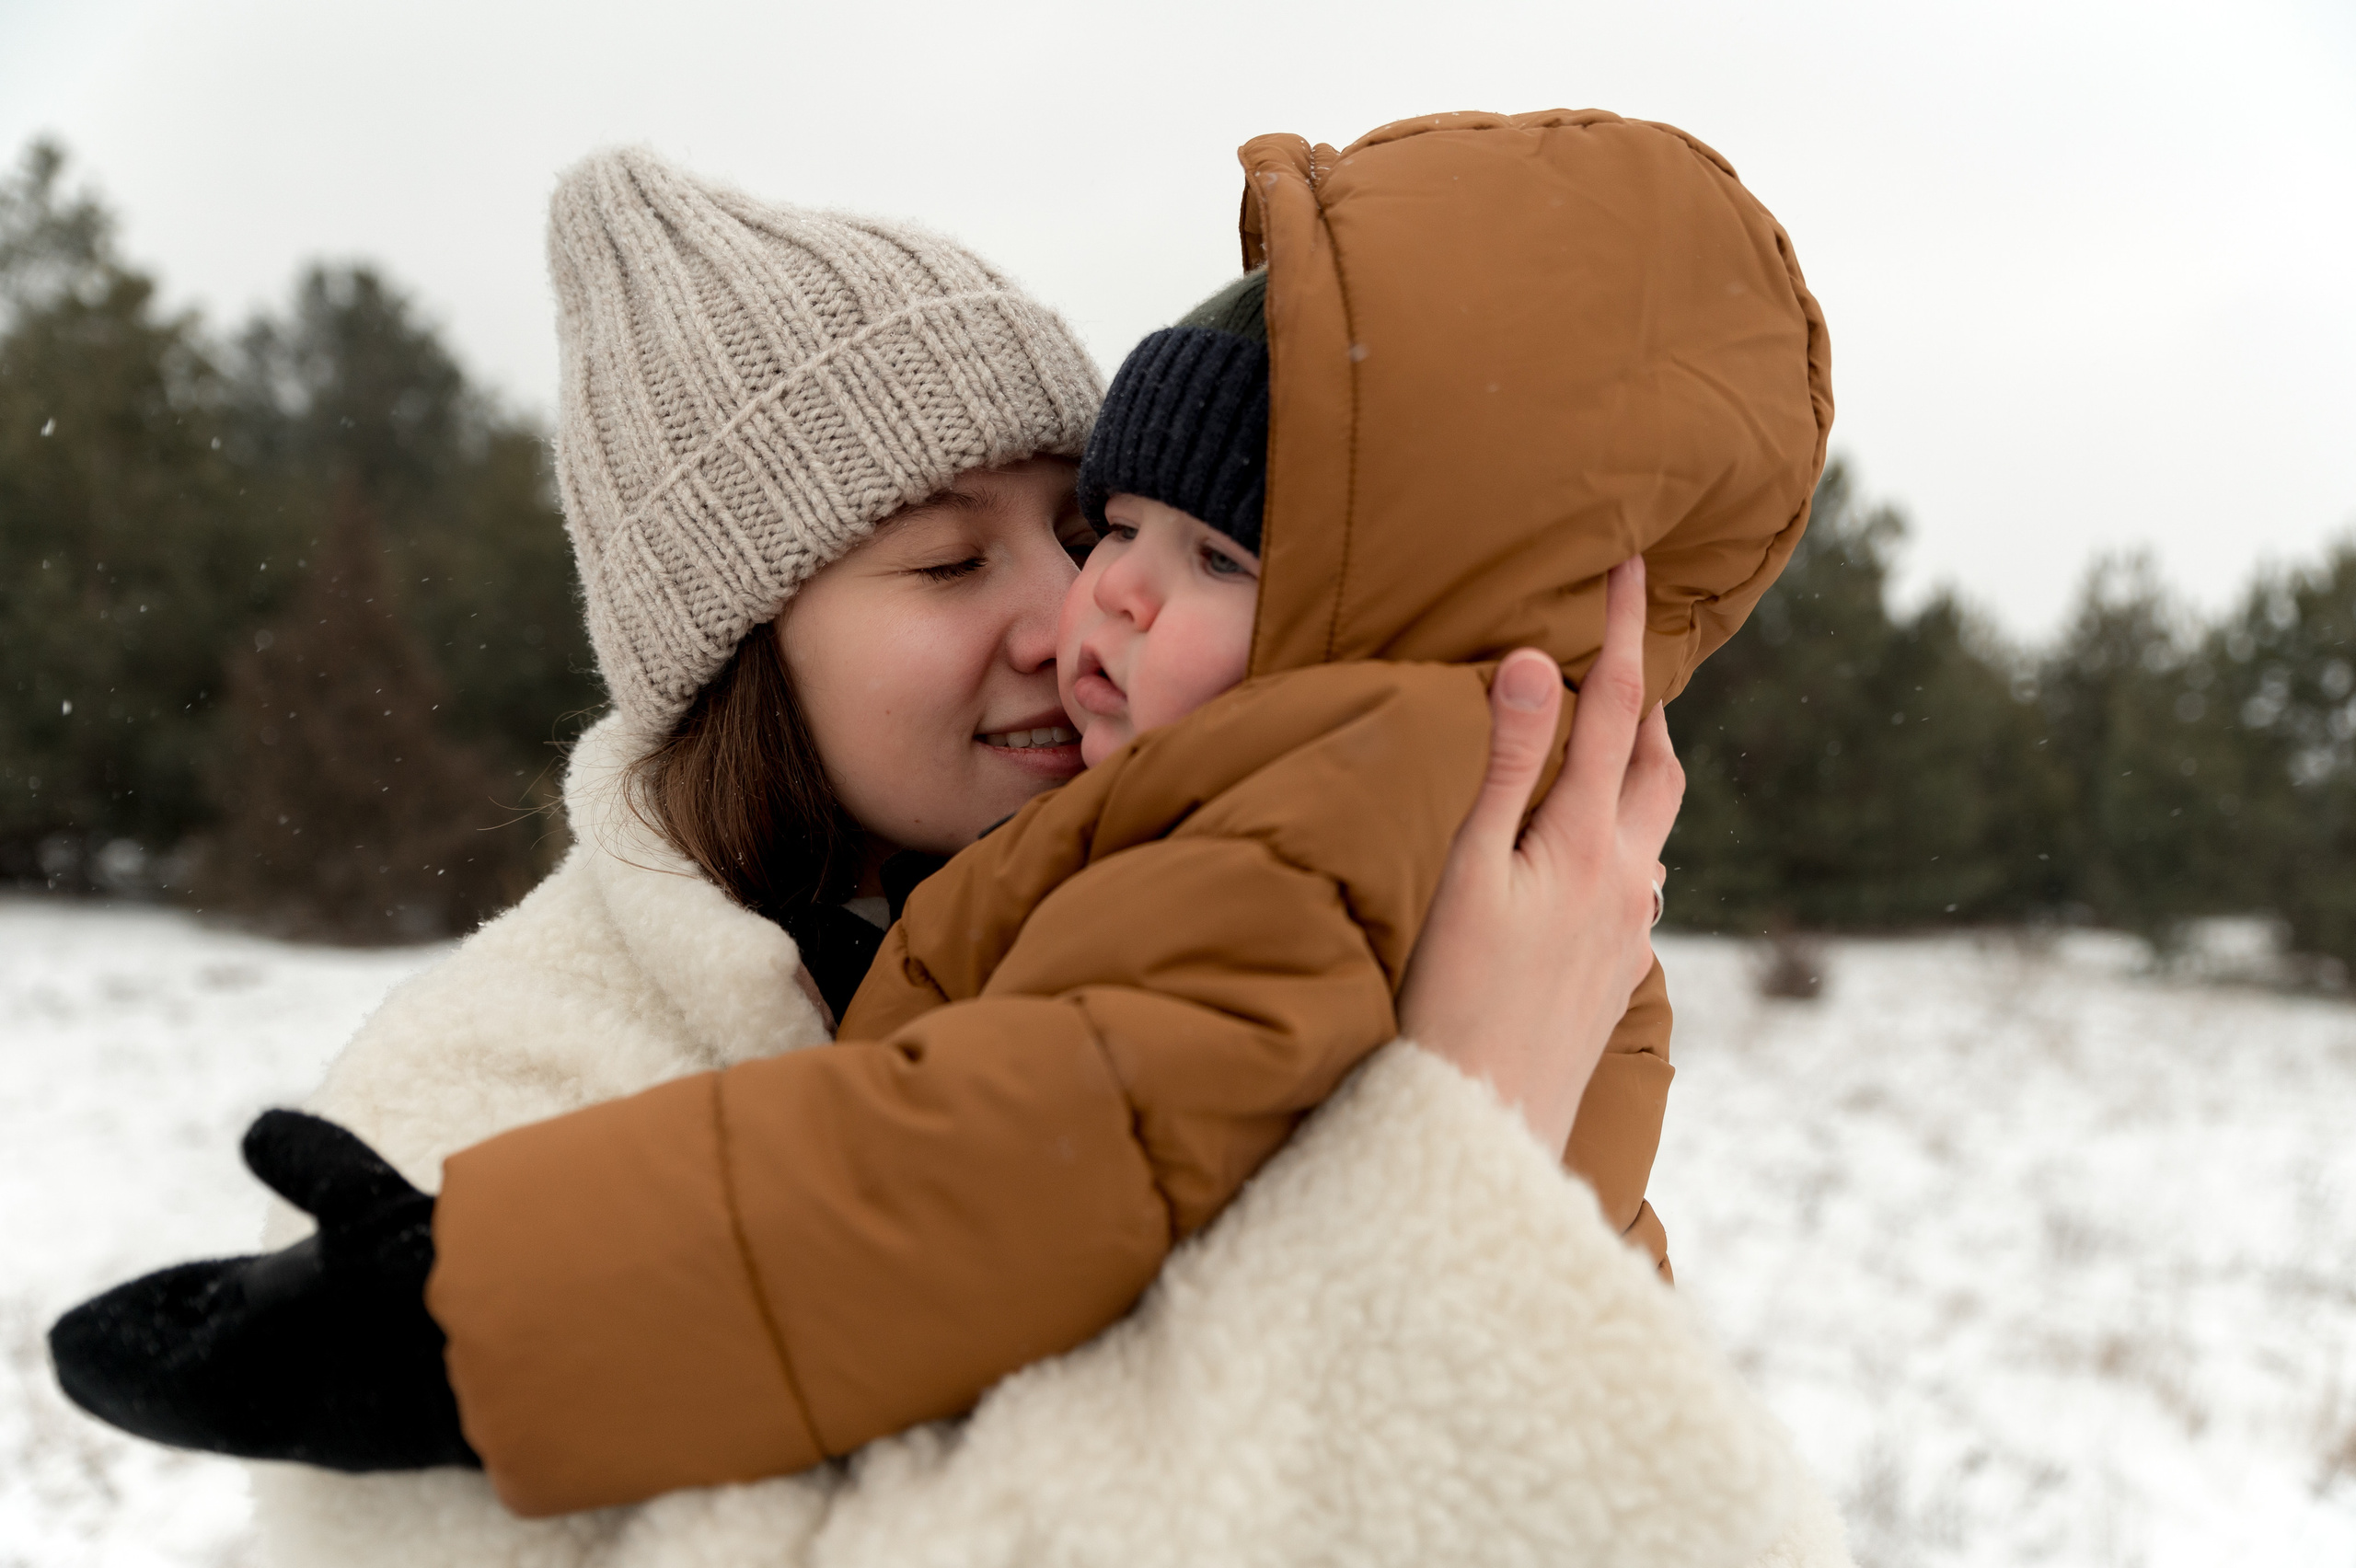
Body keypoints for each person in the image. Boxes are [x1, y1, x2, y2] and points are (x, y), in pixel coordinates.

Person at [57, 116, 1850, 1568]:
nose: (1073, 608)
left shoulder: (1267, 882)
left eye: (1084, 529)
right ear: (739, 650)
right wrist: (1467, 1150)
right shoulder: (498, 1095)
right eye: (942, 560)